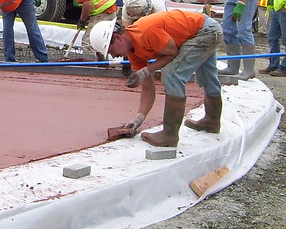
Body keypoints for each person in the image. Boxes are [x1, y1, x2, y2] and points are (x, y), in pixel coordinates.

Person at [90, 9, 224, 147]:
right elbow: (148, 89)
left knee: (172, 74)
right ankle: (212, 121)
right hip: (202, 29)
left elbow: (172, 52)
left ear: (118, 38)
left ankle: (169, 135)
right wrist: (138, 119)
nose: (114, 56)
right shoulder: (133, 53)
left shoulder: (146, 32)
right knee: (207, 76)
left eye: (111, 51)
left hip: (205, 31)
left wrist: (145, 71)